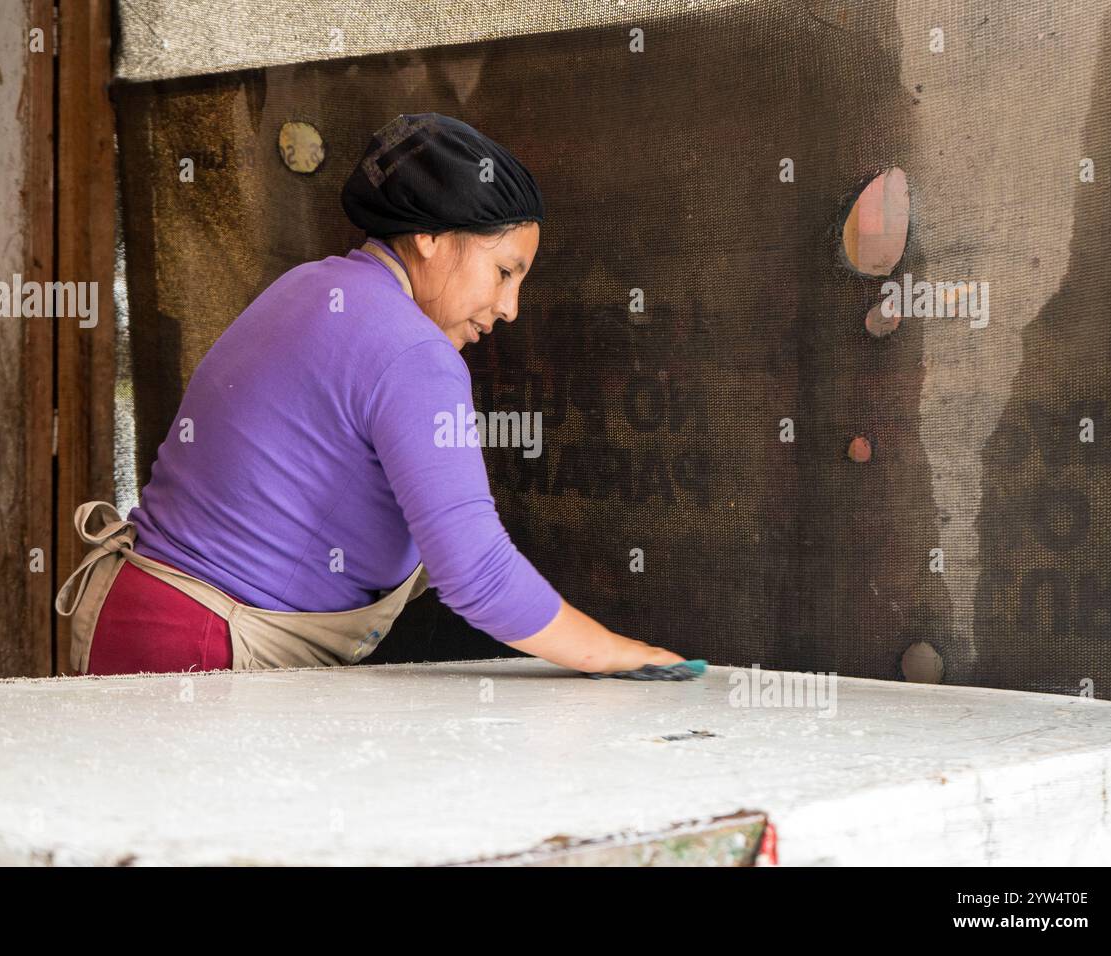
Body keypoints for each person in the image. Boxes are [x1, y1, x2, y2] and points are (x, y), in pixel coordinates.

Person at [56, 112, 683, 676]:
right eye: (504, 271)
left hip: (134, 619)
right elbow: (476, 573)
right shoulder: (415, 352)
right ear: (432, 236)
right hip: (205, 647)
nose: (510, 308)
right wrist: (613, 653)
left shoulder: (309, 286)